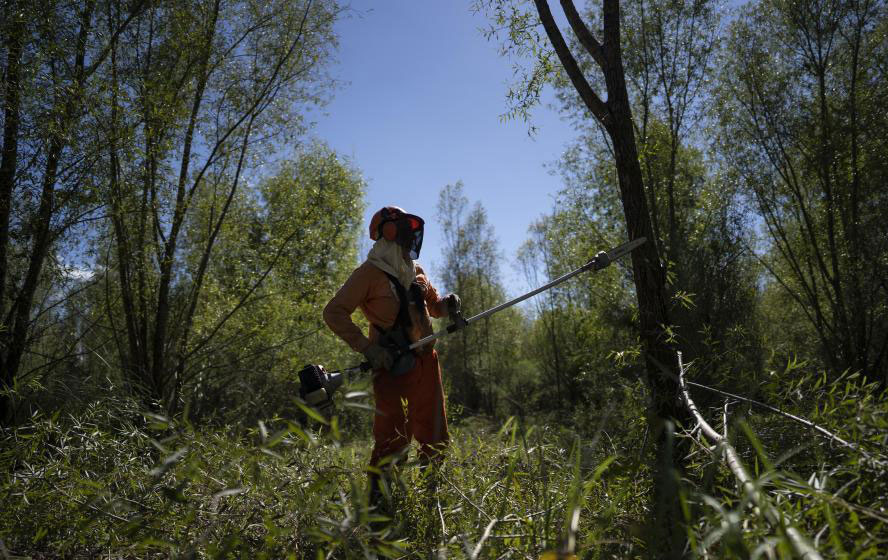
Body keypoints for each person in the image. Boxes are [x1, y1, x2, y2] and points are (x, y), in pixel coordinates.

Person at [323, 206, 461, 509]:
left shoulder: (417, 271)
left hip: (426, 360)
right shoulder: (368, 274)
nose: (412, 240)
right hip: (390, 365)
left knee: (434, 430)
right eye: (407, 234)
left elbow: (435, 308)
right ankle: (379, 506)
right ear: (390, 232)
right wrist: (368, 348)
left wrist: (449, 304)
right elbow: (333, 312)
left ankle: (431, 498)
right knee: (393, 436)